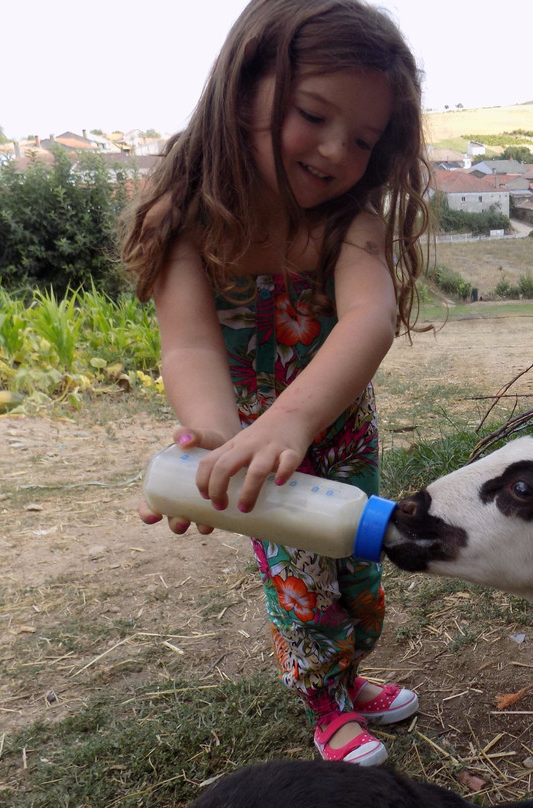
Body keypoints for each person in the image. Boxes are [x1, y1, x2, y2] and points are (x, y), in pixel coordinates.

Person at [120, 0, 430, 767]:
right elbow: (189, 345)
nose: (335, 151)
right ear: (242, 92)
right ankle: (326, 705)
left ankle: (350, 678)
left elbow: (370, 318)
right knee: (300, 581)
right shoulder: (185, 219)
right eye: (314, 115)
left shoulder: (349, 223)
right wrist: (218, 442)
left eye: (363, 139)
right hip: (261, 451)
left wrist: (296, 420)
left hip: (340, 434)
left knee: (358, 570)